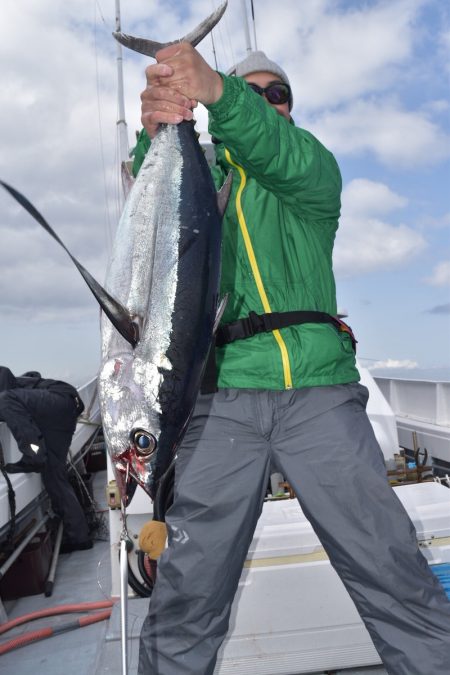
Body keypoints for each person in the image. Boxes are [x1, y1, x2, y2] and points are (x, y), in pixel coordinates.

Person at [133, 45, 450, 675]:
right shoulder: (202, 172)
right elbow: (156, 226)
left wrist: (221, 92)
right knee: (190, 586)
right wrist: (158, 130)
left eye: (273, 93)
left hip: (319, 395)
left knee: (388, 564)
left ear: (288, 107)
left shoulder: (312, 171)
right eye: (248, 89)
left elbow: (275, 150)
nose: (260, 100)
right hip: (219, 397)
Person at [0, 366, 92, 553]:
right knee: (54, 477)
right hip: (63, 408)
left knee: (4, 399)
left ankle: (33, 456)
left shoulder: (7, 389)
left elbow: (5, 382)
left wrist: (34, 451)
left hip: (59, 400)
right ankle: (78, 538)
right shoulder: (21, 388)